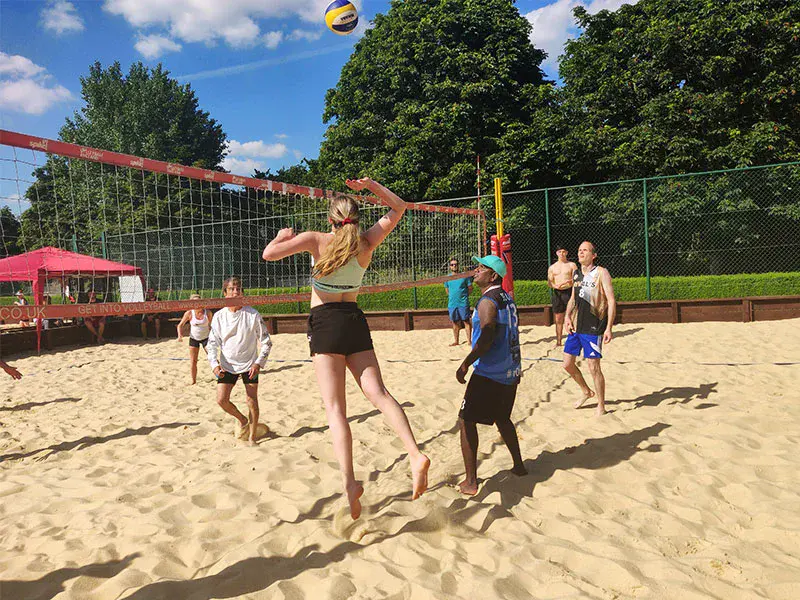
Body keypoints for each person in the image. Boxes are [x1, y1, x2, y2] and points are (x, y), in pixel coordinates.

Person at [262, 177, 430, 520]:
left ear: (331, 220)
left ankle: (351, 483)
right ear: (356, 217)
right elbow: (399, 207)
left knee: (336, 411)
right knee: (380, 394)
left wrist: (282, 237)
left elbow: (268, 255)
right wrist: (371, 185)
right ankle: (414, 454)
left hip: (325, 324)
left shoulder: (315, 240)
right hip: (354, 320)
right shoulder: (367, 242)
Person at [455, 254, 525, 495]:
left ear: (493, 276)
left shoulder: (487, 302)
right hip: (511, 369)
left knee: (465, 420)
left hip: (490, 372)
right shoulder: (507, 298)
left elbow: (486, 336)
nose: (476, 271)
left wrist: (466, 363)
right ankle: (519, 466)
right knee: (502, 418)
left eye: (481, 268)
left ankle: (471, 482)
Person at [206, 276, 271, 445]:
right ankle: (242, 420)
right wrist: (214, 364)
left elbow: (266, 342)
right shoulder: (220, 317)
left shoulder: (252, 314)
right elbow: (212, 343)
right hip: (227, 365)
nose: (236, 291)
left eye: (238, 288)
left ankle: (252, 438)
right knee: (221, 400)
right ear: (225, 293)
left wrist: (258, 363)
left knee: (251, 401)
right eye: (232, 289)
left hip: (250, 364)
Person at [563, 241, 616, 416]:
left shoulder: (601, 272)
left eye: (585, 250)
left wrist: (609, 327)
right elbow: (572, 298)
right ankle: (586, 391)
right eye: (579, 250)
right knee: (567, 364)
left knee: (593, 367)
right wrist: (567, 317)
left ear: (593, 255)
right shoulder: (576, 274)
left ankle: (601, 405)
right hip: (576, 326)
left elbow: (611, 301)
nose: (581, 253)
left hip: (594, 327)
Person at [177, 294, 213, 385]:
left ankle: (221, 375)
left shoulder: (207, 312)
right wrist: (179, 335)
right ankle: (193, 381)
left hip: (206, 338)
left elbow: (212, 326)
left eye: (199, 302)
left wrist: (214, 335)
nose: (197, 304)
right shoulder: (189, 313)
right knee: (193, 361)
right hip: (194, 339)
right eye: (194, 302)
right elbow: (180, 325)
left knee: (212, 357)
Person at [547, 245, 577, 347]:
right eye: (560, 252)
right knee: (558, 318)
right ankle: (559, 341)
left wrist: (571, 281)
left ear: (567, 253)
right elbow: (549, 283)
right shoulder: (552, 267)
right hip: (557, 293)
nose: (562, 253)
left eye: (564, 251)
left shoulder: (572, 265)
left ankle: (574, 339)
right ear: (557, 253)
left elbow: (577, 279)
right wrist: (556, 285)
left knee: (572, 316)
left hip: (569, 291)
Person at [444, 258, 473, 346]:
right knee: (455, 322)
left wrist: (464, 296)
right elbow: (447, 290)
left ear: (458, 265)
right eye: (452, 264)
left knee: (466, 321)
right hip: (452, 304)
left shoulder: (464, 276)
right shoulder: (447, 278)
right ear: (450, 267)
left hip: (463, 303)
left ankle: (469, 341)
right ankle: (456, 341)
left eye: (456, 264)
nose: (454, 266)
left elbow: (470, 288)